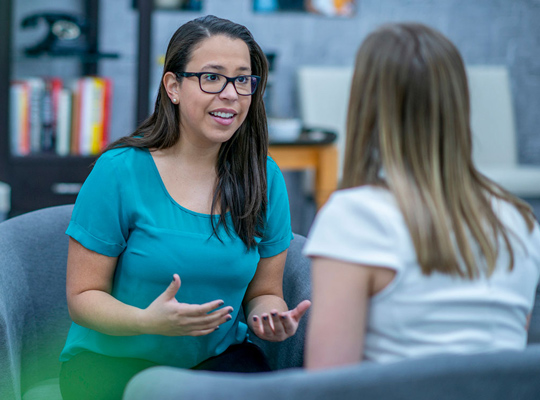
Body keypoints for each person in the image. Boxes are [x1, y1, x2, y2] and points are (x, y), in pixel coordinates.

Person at [59, 15, 310, 399]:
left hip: (215, 361)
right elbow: (83, 297)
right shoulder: (120, 170)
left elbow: (265, 291)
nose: (230, 94)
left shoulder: (263, 176)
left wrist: (268, 315)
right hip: (110, 361)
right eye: (212, 77)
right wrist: (147, 321)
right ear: (173, 86)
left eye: (243, 79)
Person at [303, 22, 540, 370]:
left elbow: (328, 385)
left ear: (365, 105)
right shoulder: (520, 221)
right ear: (459, 103)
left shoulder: (354, 218)